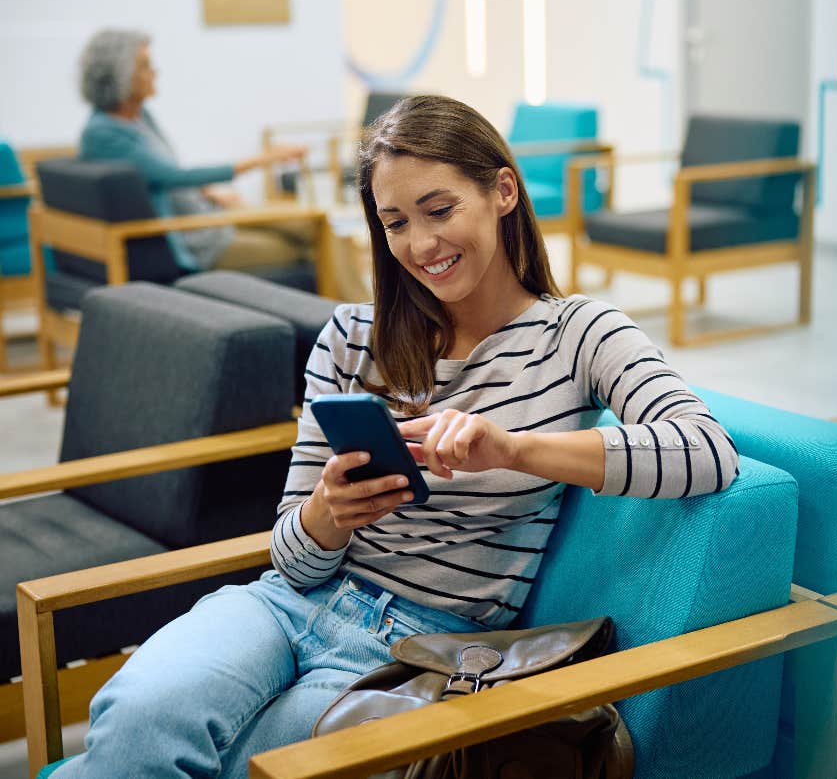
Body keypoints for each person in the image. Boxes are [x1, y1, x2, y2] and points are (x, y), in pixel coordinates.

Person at [53, 95, 738, 778]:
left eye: (440, 211)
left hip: (419, 652)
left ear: (502, 191)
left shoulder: (577, 334)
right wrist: (326, 516)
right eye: (396, 223)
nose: (421, 245)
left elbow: (705, 450)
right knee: (136, 723)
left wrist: (514, 448)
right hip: (286, 607)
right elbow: (291, 561)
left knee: (245, 766)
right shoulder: (352, 336)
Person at [77, 29, 314, 278]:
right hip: (196, 238)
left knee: (310, 227)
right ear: (119, 76)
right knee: (310, 244)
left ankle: (351, 311)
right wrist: (266, 158)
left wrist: (207, 192)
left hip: (209, 216)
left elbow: (156, 173)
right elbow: (172, 176)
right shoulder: (103, 133)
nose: (155, 72)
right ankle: (346, 310)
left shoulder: (139, 116)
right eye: (145, 66)